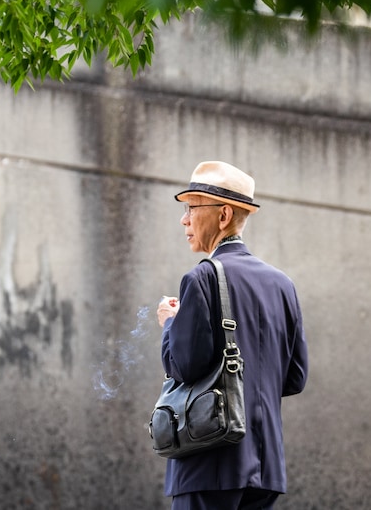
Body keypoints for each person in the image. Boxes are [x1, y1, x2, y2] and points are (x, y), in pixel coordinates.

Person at [156, 161, 309, 510]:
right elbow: (295, 378)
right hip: (266, 467)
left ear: (223, 215)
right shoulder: (282, 284)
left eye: (191, 208)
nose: (184, 219)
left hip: (209, 460)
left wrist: (169, 323)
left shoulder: (202, 278)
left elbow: (183, 367)